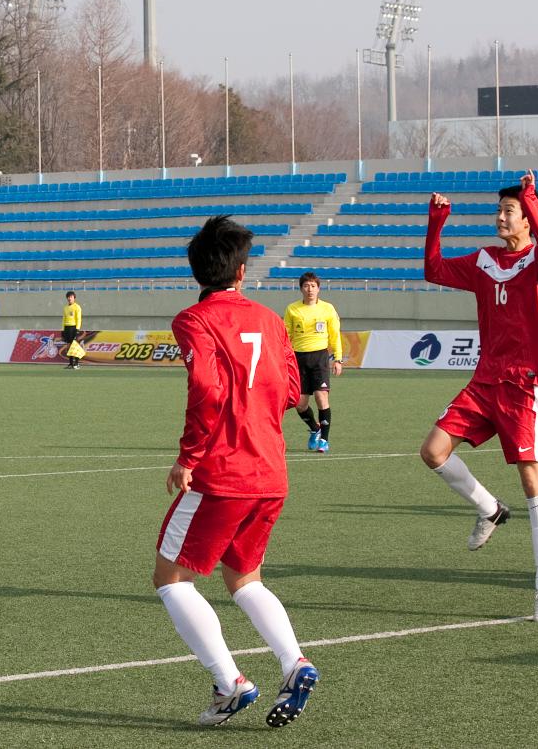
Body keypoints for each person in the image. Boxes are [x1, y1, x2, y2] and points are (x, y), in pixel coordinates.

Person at [154, 215, 319, 728]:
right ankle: (295, 663)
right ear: (243, 272)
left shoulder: (194, 320)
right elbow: (293, 391)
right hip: (271, 471)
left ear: (196, 272)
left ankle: (230, 684)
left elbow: (207, 388)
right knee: (243, 576)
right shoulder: (271, 320)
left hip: (224, 471)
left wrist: (189, 456)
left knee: (171, 578)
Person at [419, 172, 538, 622]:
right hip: (484, 381)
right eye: (498, 210)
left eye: (509, 212)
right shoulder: (484, 261)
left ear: (526, 221)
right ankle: (490, 509)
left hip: (523, 386)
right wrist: (436, 221)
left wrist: (532, 197)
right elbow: (434, 269)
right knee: (433, 451)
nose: (500, 217)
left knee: (531, 478)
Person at [282, 271, 343, 453]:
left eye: (313, 286)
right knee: (299, 403)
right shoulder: (292, 309)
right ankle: (315, 429)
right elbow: (286, 336)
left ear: (319, 289)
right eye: (306, 286)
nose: (310, 290)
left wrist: (337, 358)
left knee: (320, 396)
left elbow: (335, 335)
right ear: (301, 288)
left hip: (320, 357)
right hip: (298, 358)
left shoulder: (327, 309)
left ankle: (324, 440)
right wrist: (283, 356)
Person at [62, 290, 83, 369]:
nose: (69, 298)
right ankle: (71, 364)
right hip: (67, 328)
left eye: (71, 297)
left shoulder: (77, 307)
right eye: (68, 297)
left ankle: (77, 364)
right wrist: (63, 329)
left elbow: (79, 319)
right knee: (68, 346)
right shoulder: (65, 308)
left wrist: (77, 329)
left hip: (73, 328)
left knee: (75, 346)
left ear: (74, 298)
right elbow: (64, 319)